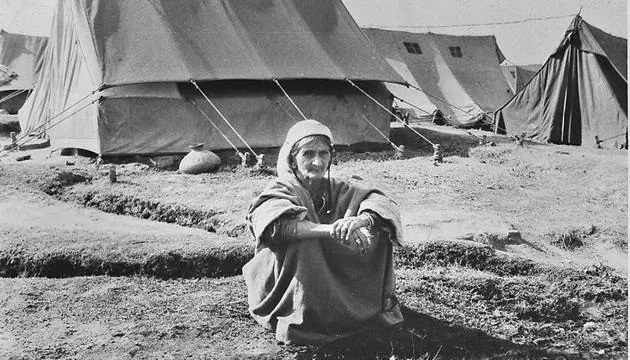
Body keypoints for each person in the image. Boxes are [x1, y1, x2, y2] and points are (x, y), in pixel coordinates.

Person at [242, 119, 404, 344]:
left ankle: (352, 310)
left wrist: (362, 221)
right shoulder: (281, 188)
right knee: (303, 243)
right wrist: (331, 230)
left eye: (323, 153)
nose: (317, 162)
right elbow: (274, 227)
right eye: (308, 154)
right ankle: (305, 315)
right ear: (293, 159)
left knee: (377, 231)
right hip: (281, 279)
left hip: (329, 268)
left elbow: (381, 202)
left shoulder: (338, 188)